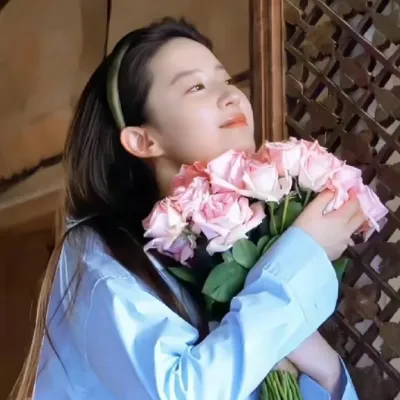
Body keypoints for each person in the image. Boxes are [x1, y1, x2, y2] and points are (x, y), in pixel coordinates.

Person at [12, 17, 364, 400]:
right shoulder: (97, 253)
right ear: (143, 140)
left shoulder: (231, 242)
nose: (231, 96)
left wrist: (327, 371)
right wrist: (302, 251)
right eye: (196, 86)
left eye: (227, 80)